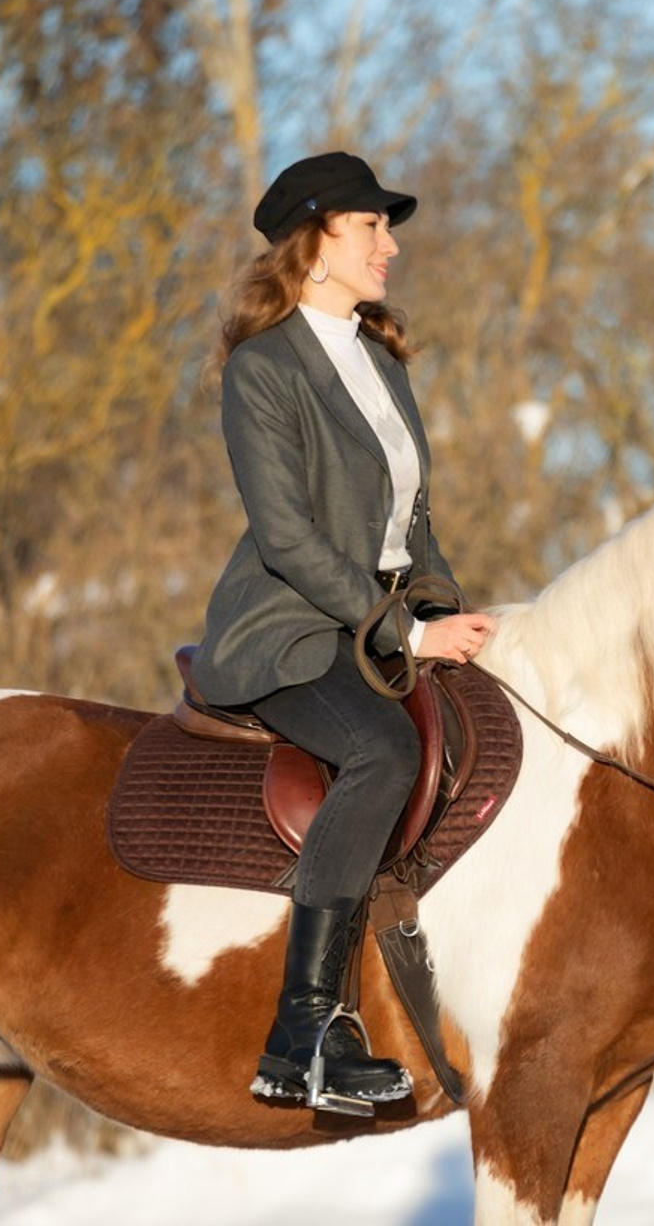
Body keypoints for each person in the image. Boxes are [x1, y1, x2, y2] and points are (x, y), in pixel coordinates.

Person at [190, 151, 495, 1111]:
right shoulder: (263, 369)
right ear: (314, 242)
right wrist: (406, 633)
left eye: (386, 228)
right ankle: (307, 1031)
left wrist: (443, 611)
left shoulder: (381, 363)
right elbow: (289, 540)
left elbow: (414, 521)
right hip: (289, 630)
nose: (389, 244)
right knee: (380, 752)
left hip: (379, 623)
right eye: (370, 225)